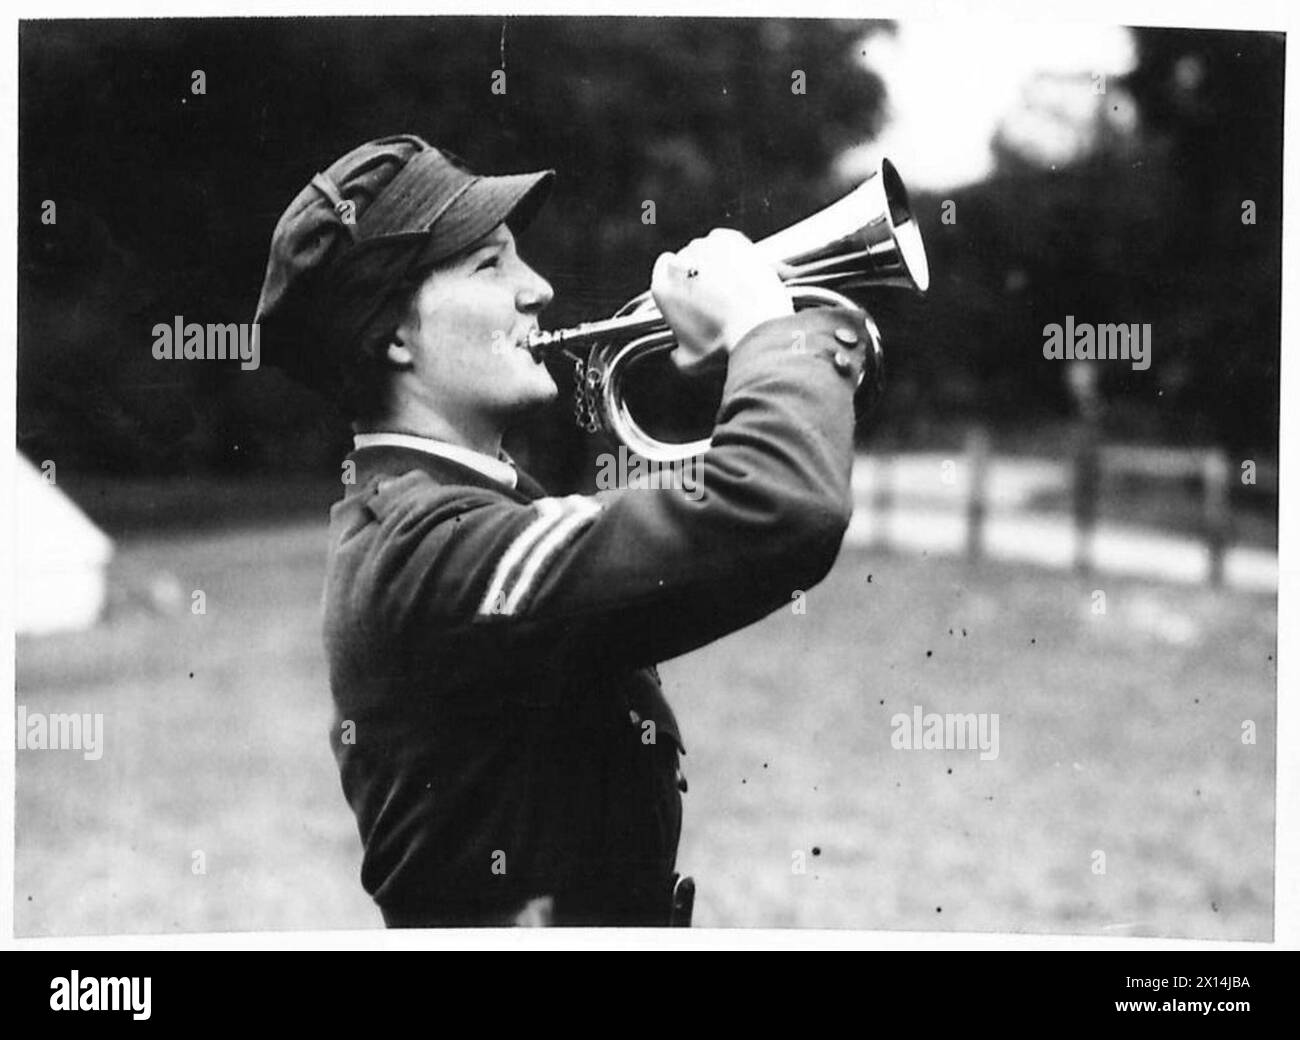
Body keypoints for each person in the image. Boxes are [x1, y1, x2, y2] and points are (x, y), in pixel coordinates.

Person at [255, 134, 873, 926]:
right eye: (489, 266)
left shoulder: (454, 515)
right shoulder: (425, 547)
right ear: (393, 336)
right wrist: (763, 330)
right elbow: (786, 507)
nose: (538, 287)